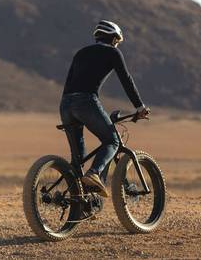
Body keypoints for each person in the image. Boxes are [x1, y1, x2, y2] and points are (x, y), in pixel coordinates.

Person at [60, 20, 150, 197]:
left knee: (78, 160)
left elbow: (69, 82)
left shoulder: (81, 53)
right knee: (112, 141)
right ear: (114, 38)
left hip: (65, 104)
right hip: (86, 101)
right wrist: (140, 107)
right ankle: (94, 174)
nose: (117, 44)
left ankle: (80, 201)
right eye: (117, 41)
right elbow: (126, 79)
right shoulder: (112, 52)